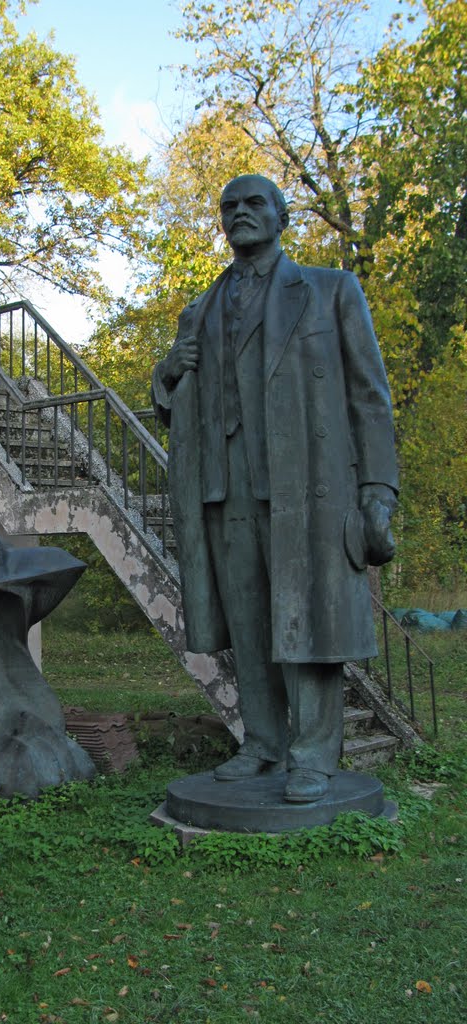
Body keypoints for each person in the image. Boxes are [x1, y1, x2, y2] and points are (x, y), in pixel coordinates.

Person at [152, 175, 398, 803]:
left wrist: (378, 488)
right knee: (250, 620)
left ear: (282, 215)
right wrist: (166, 376)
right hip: (226, 488)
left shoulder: (330, 290)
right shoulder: (200, 310)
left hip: (308, 489)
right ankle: (261, 743)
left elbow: (369, 397)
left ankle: (313, 754)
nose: (240, 213)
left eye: (253, 203)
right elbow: (177, 398)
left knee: (307, 620)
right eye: (229, 205)